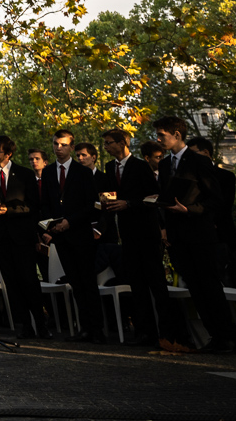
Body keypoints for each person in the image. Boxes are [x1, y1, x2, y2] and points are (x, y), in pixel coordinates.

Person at [154, 115, 234, 352]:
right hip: (178, 238)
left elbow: (216, 200)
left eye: (162, 135)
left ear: (177, 135)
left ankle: (227, 338)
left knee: (210, 286)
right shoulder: (165, 164)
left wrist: (189, 209)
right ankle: (213, 337)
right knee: (196, 290)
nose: (158, 140)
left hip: (200, 234)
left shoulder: (199, 162)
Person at [97, 128, 173, 347]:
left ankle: (166, 332)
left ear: (123, 143)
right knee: (136, 284)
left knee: (156, 282)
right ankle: (144, 332)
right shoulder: (110, 167)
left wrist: (129, 203)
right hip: (127, 233)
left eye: (109, 143)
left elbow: (153, 196)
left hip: (147, 231)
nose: (106, 147)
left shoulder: (141, 166)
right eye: (104, 144)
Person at [0, 135, 49, 337]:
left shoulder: (24, 174)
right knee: (11, 281)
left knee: (29, 280)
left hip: (22, 235)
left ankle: (41, 325)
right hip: (1, 236)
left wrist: (10, 210)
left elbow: (34, 206)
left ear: (8, 154)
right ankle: (25, 325)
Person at [38, 128, 104, 342]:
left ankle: (97, 329)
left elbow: (91, 205)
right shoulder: (47, 173)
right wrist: (52, 224)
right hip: (60, 236)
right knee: (75, 282)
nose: (59, 148)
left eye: (64, 144)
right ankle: (84, 328)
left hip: (80, 234)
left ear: (72, 147)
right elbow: (46, 203)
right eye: (56, 144)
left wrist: (70, 221)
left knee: (88, 283)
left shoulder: (83, 172)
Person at [189, 136, 236, 254]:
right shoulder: (190, 177)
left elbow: (225, 205)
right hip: (199, 236)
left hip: (222, 233)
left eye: (193, 154)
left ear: (205, 152)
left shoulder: (226, 176)